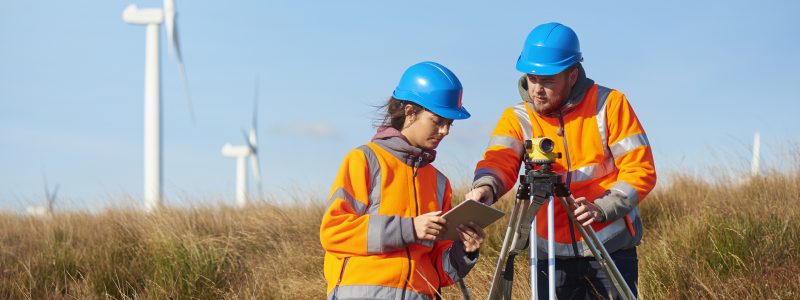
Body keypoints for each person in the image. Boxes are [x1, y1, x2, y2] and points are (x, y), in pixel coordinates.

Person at [465, 22, 656, 299]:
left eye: (548, 80)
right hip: (550, 255)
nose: (537, 90)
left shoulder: (610, 105)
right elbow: (499, 160)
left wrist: (602, 208)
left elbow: (641, 170)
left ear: (573, 75)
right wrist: (486, 186)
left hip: (609, 247)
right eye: (532, 78)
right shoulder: (517, 117)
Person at [320, 61, 486, 300]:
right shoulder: (365, 160)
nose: (445, 131)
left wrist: (465, 251)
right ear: (410, 112)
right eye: (438, 121)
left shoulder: (440, 183)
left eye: (450, 123)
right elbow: (334, 232)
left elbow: (441, 273)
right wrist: (409, 229)